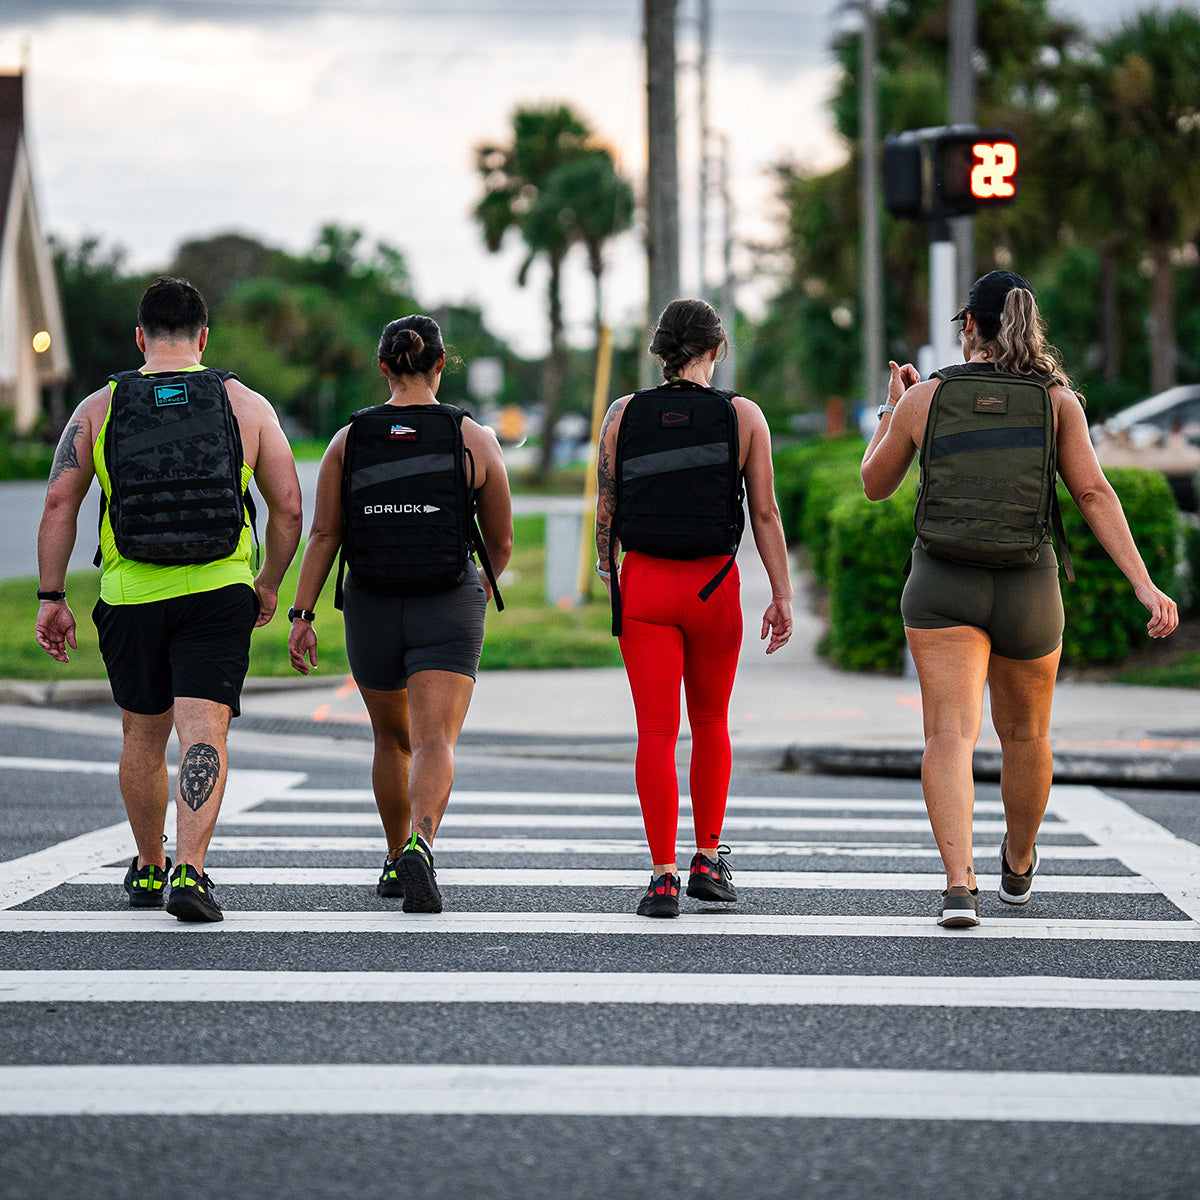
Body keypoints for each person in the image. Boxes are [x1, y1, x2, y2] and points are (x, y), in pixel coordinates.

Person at [861, 270, 1178, 928]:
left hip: (942, 581)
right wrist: (1145, 584)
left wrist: (895, 408)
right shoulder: (1057, 401)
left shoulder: (929, 399)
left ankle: (957, 885)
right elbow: (1093, 494)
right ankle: (1019, 860)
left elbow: (875, 485)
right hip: (1028, 585)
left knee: (948, 735)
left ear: (969, 326)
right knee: (1027, 735)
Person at [35, 276, 303, 923]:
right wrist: (266, 582)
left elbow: (58, 504)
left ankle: (148, 865)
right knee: (204, 731)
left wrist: (52, 596)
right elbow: (289, 507)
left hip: (129, 595)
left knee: (142, 735)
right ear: (203, 338)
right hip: (217, 591)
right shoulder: (245, 404)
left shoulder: (99, 408)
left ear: (140, 337)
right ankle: (191, 869)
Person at [288, 315, 512, 913]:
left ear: (383, 367)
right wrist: (473, 591)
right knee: (435, 738)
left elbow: (324, 535)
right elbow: (502, 541)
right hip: (448, 600)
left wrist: (302, 614)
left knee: (392, 739)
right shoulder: (474, 438)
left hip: (372, 603)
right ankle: (422, 841)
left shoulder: (349, 439)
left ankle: (393, 858)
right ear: (442, 365)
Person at [595, 298, 793, 918]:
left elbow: (607, 505)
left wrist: (609, 573)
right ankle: (708, 858)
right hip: (714, 588)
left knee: (655, 731)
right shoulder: (744, 416)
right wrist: (782, 593)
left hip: (646, 585)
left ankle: (661, 877)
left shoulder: (622, 415)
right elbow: (764, 512)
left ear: (659, 352)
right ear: (716, 350)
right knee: (709, 722)